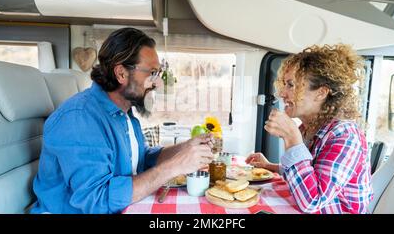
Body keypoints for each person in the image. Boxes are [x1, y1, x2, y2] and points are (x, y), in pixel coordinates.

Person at [31, 27, 214, 214]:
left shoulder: (125, 113)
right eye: (152, 73)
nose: (157, 83)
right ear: (121, 73)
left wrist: (185, 148)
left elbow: (142, 159)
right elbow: (97, 200)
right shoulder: (79, 119)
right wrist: (174, 166)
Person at [246, 44, 373, 214]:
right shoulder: (310, 128)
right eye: (284, 84)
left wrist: (292, 138)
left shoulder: (345, 136)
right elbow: (309, 175)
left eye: (291, 85)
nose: (282, 93)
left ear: (321, 93)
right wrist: (270, 166)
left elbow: (313, 200)